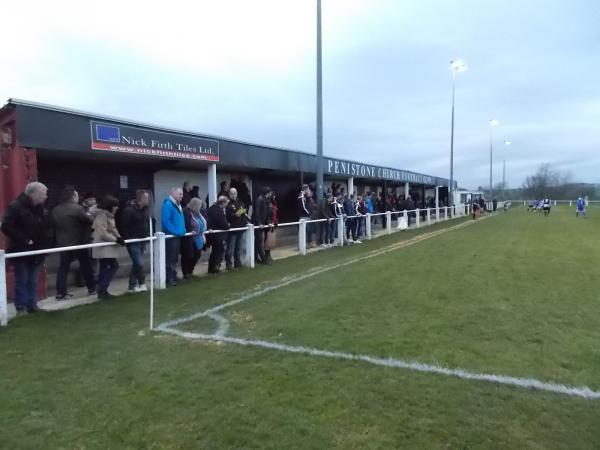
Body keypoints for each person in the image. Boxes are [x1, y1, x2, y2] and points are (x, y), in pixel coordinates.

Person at [1, 182, 52, 314]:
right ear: (33, 193)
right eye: (43, 193)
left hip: (38, 249)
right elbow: (6, 226)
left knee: (33, 280)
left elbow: (46, 226)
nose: (45, 196)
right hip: (21, 250)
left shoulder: (42, 208)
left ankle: (32, 305)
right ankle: (21, 307)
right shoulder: (15, 206)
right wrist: (24, 239)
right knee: (22, 280)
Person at [51, 187, 96, 299]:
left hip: (62, 243)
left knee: (63, 269)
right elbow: (90, 221)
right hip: (78, 242)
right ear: (73, 196)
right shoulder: (77, 209)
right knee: (86, 266)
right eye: (76, 196)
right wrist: (90, 212)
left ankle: (61, 293)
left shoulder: (55, 210)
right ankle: (92, 288)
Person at [92, 195, 125, 299]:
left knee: (104, 267)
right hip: (103, 247)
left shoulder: (109, 216)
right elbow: (103, 233)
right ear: (110, 206)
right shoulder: (102, 216)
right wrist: (116, 239)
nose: (117, 208)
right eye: (115, 205)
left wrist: (119, 237)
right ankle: (102, 288)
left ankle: (102, 291)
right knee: (113, 266)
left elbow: (113, 229)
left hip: (106, 247)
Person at [119, 190, 151, 292]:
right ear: (142, 199)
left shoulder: (146, 209)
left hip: (142, 239)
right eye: (147, 198)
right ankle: (142, 283)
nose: (149, 200)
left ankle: (132, 285)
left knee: (136, 263)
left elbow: (146, 223)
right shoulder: (129, 210)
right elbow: (124, 226)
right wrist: (127, 238)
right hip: (132, 240)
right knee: (139, 262)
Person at [161, 188, 186, 287]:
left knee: (175, 257)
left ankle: (173, 276)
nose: (182, 196)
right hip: (171, 236)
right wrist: (177, 232)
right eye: (180, 194)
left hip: (177, 235)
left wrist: (183, 229)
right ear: (173, 193)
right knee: (170, 258)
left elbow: (180, 220)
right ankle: (169, 278)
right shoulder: (168, 205)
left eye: (182, 194)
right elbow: (166, 222)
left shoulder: (178, 205)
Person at [181, 197, 206, 278]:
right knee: (188, 256)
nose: (200, 207)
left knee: (197, 255)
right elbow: (186, 223)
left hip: (197, 237)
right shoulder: (186, 212)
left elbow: (202, 222)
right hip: (189, 237)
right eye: (199, 205)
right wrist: (190, 231)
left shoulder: (196, 213)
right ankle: (186, 273)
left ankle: (190, 271)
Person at [206, 196, 230, 274]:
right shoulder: (218, 211)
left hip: (212, 234)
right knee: (218, 251)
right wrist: (228, 225)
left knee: (214, 252)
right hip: (217, 235)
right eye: (226, 203)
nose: (226, 205)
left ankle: (211, 268)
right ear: (223, 203)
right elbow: (223, 224)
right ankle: (216, 267)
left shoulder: (211, 208)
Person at [225, 187, 248, 269]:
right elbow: (227, 216)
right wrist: (235, 215)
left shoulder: (241, 203)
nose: (234, 195)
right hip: (233, 229)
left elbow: (245, 214)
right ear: (229, 194)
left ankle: (237, 262)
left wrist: (245, 222)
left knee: (239, 247)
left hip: (240, 228)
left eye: (235, 193)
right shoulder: (228, 204)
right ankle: (228, 264)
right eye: (232, 194)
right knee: (230, 248)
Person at [252, 187, 271, 264]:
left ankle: (257, 258)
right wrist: (259, 222)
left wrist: (268, 222)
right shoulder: (260, 200)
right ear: (267, 193)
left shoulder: (265, 200)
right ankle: (263, 260)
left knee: (258, 242)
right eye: (269, 192)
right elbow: (257, 212)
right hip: (258, 224)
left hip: (262, 223)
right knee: (258, 242)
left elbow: (266, 213)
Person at [264, 194, 278, 262]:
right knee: (267, 241)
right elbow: (269, 215)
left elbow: (275, 215)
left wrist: (275, 223)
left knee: (270, 241)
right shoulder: (269, 205)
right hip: (269, 225)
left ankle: (268, 255)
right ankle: (266, 255)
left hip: (273, 224)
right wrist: (270, 222)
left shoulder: (274, 205)